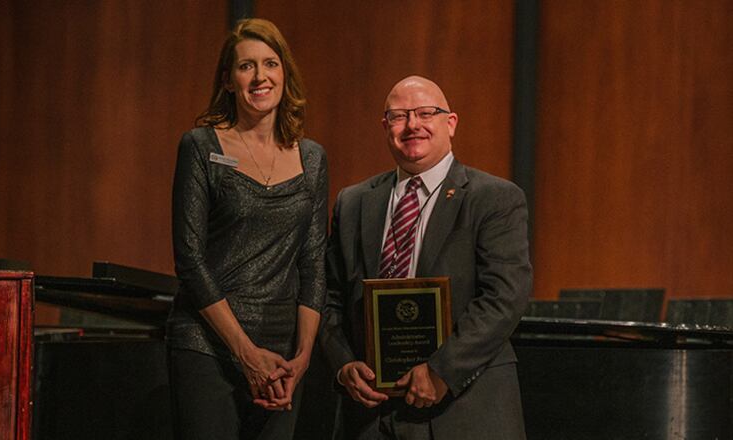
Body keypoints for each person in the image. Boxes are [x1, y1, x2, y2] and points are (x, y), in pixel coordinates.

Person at [319, 75, 531, 439]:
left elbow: (504, 297)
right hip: (370, 415)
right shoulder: (353, 203)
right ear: (385, 127)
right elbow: (329, 296)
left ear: (450, 123)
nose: (412, 125)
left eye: (425, 113)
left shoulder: (494, 198)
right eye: (399, 116)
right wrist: (343, 366)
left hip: (464, 410)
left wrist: (441, 371)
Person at [166, 18, 328, 440]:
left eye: (270, 63)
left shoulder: (312, 158)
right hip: (208, 345)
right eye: (246, 66)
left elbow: (313, 263)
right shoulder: (201, 146)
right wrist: (245, 353)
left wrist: (303, 357)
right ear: (228, 80)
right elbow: (189, 259)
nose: (260, 76)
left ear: (284, 73)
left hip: (282, 357)